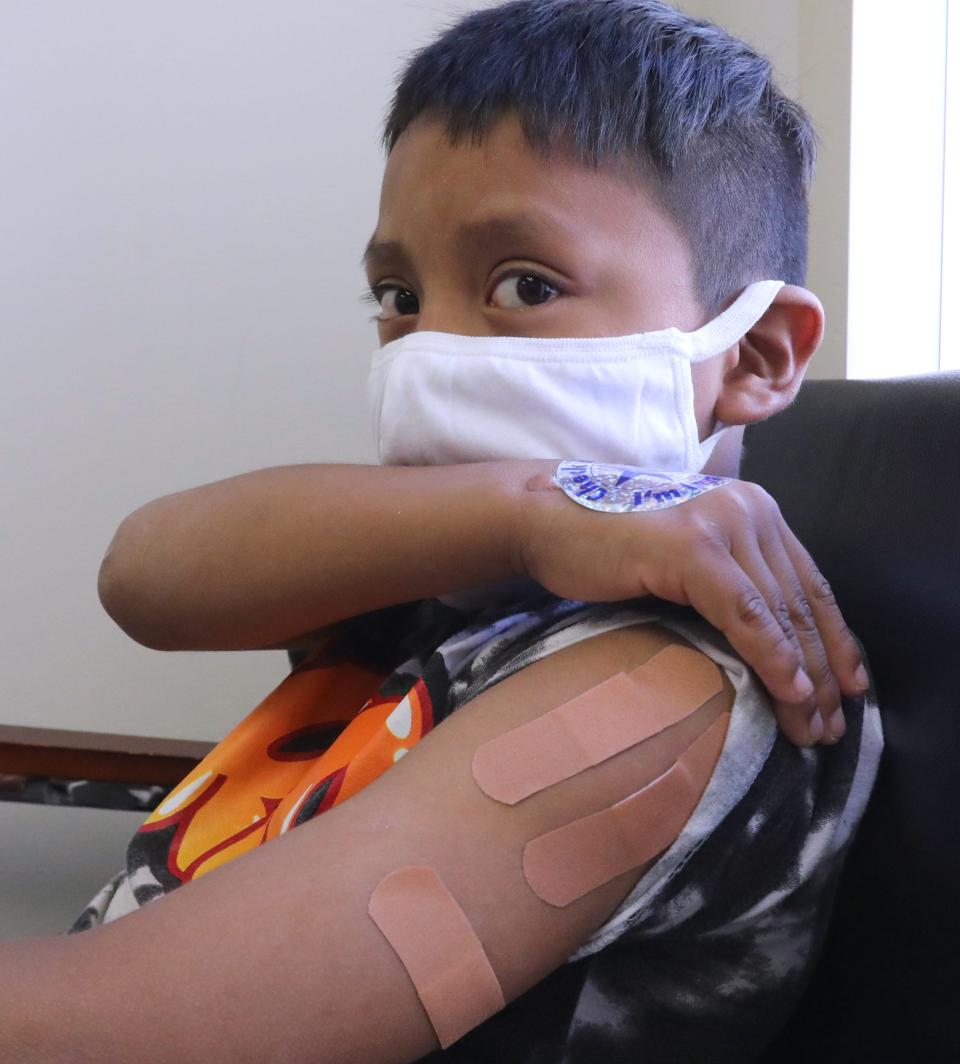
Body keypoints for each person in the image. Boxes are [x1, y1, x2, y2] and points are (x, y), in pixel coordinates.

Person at [1, 2, 882, 1062]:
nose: (429, 351)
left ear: (758, 355)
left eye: (525, 284)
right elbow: (143, 573)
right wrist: (529, 511)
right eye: (398, 294)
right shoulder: (473, 574)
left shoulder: (668, 686)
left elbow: (125, 1037)